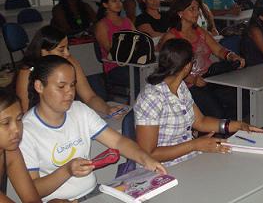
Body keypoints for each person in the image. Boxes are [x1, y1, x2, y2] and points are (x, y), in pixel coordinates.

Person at [20, 55, 166, 201]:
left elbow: (118, 142)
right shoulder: (27, 130)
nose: (70, 92)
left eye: (72, 85)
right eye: (61, 86)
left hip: (94, 192)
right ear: (39, 86)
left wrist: (146, 159)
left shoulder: (79, 110)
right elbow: (33, 190)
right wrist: (67, 170)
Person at [134, 38, 263, 166]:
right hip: (162, 169)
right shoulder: (151, 97)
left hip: (188, 159)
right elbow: (148, 153)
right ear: (187, 67)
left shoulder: (180, 87)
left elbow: (200, 122)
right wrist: (194, 145)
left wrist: (237, 125)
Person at [158, 0, 245, 118]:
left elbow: (218, 50)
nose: (197, 13)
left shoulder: (199, 31)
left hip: (209, 78)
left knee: (238, 102)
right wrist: (193, 79)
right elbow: (169, 70)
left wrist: (231, 56)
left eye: (197, 9)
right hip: (187, 85)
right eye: (191, 9)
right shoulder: (171, 37)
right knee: (218, 113)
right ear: (180, 13)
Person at [15, 25, 124, 118]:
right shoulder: (27, 72)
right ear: (44, 52)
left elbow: (89, 97)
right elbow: (25, 114)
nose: (67, 54)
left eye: (68, 48)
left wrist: (107, 109)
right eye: (61, 49)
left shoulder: (69, 61)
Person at [0, 88, 62, 203]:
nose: (16, 129)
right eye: (6, 123)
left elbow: (32, 200)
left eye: (19, 119)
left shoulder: (10, 151)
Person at [94, 0, 135, 89]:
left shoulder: (127, 21)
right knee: (138, 77)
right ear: (105, 4)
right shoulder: (102, 25)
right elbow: (111, 50)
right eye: (114, 0)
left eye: (120, 0)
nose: (118, 3)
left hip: (132, 62)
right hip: (114, 67)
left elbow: (138, 40)